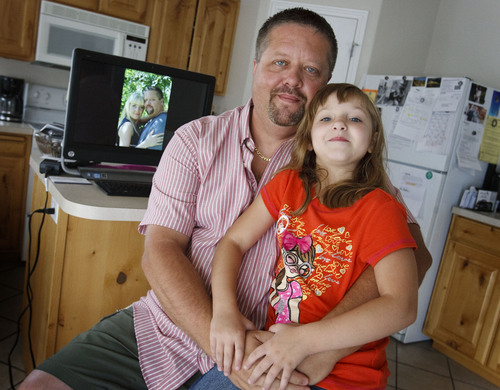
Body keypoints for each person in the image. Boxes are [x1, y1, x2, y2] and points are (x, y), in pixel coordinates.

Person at [20, 8, 431, 390]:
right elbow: (160, 250)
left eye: (311, 70)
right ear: (256, 68)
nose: (293, 79)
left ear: (326, 86)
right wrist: (219, 340)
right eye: (279, 63)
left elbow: (413, 259)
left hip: (278, 348)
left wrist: (323, 347)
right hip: (167, 326)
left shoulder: (341, 164)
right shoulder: (194, 139)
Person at [201, 83, 418, 390]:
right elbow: (232, 242)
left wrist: (304, 341)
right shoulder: (288, 184)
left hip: (345, 376)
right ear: (310, 139)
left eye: (355, 119)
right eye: (326, 118)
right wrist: (224, 311)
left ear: (372, 142)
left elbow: (401, 306)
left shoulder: (380, 208)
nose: (340, 124)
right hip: (275, 348)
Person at [136, 85, 166, 149]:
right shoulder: (153, 119)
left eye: (152, 100)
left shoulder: (161, 122)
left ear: (161, 101)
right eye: (146, 100)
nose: (148, 103)